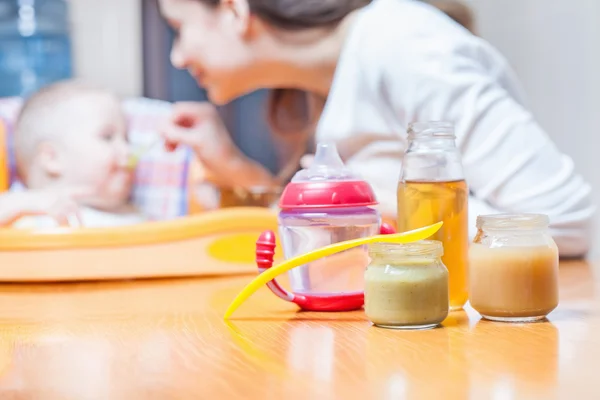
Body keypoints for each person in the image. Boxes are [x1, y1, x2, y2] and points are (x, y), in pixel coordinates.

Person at [158, 0, 594, 257]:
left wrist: (394, 205)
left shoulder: (402, 46)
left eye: (179, 29)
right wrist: (235, 169)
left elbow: (568, 223)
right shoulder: (321, 85)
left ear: (235, 10)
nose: (177, 57)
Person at [0, 80, 146, 228]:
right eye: (107, 137)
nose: (127, 150)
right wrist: (28, 202)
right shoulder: (24, 212)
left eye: (126, 139)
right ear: (52, 157)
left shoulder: (134, 215)